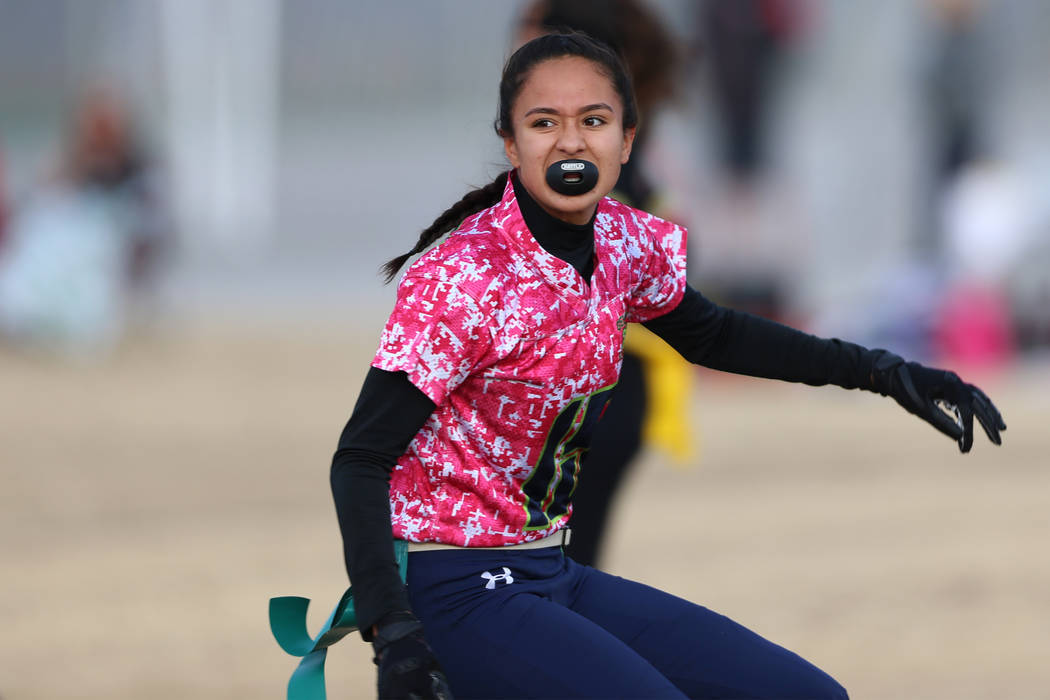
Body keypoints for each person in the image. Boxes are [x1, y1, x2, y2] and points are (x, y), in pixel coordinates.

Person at [330, 32, 1005, 700]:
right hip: (458, 592)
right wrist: (395, 635)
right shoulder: (464, 275)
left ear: (626, 141)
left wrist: (884, 371)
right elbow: (360, 457)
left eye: (593, 121)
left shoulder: (625, 243)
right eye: (544, 123)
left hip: (552, 573)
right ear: (511, 142)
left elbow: (718, 337)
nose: (570, 142)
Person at [513, 0, 695, 569]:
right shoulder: (620, 148)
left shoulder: (582, 169)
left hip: (591, 397)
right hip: (612, 392)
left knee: (549, 584)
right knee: (562, 581)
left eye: (529, 40)